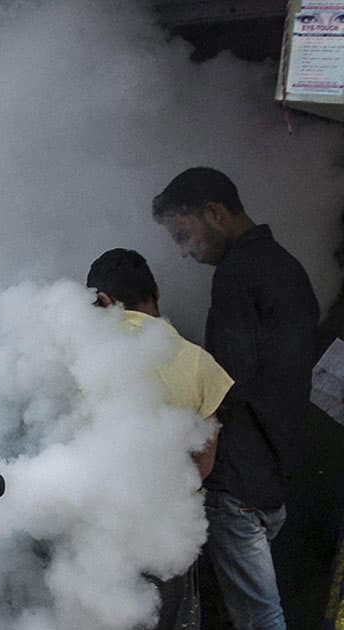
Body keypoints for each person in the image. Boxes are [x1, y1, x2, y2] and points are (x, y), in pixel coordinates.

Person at [152, 167, 319, 630]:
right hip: (273, 474)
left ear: (214, 213)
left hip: (237, 480)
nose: (185, 253)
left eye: (184, 235)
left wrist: (192, 454)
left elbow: (223, 382)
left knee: (259, 616)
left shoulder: (236, 274)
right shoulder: (288, 268)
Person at [87, 248, 234, 630]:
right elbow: (204, 461)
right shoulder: (199, 361)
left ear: (102, 301)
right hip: (168, 532)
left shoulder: (81, 355)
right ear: (155, 292)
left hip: (96, 530)